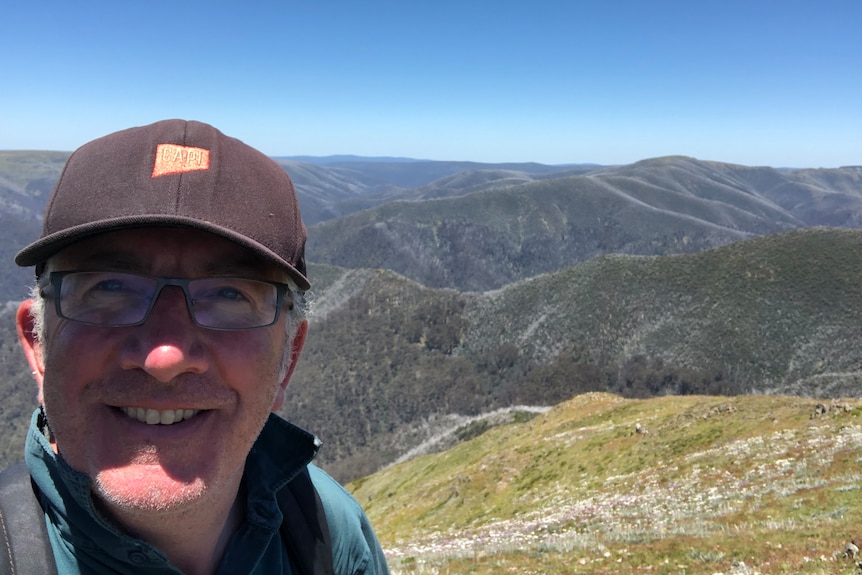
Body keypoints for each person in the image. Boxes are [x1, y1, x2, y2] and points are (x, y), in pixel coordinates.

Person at [5, 119, 390, 574]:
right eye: (108, 287)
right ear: (38, 343)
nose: (164, 359)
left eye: (230, 295)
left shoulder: (327, 528)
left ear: (288, 359)